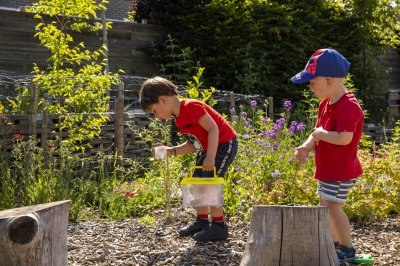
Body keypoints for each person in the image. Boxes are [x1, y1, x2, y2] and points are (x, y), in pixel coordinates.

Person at [139, 76, 238, 241]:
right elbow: (195, 145)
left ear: (162, 100)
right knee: (197, 180)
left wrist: (211, 157)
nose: (156, 116)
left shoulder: (191, 107)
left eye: (154, 111)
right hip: (208, 148)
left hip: (224, 143)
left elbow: (214, 129)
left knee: (209, 183)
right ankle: (202, 221)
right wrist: (170, 151)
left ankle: (219, 227)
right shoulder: (179, 120)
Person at [291, 48, 364, 262]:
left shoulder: (349, 107)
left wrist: (322, 134)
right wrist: (305, 147)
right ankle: (333, 244)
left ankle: (347, 247)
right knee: (326, 206)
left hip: (341, 170)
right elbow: (317, 134)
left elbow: (344, 138)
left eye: (313, 82)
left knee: (333, 207)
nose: (310, 86)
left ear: (329, 81)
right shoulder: (325, 104)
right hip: (328, 170)